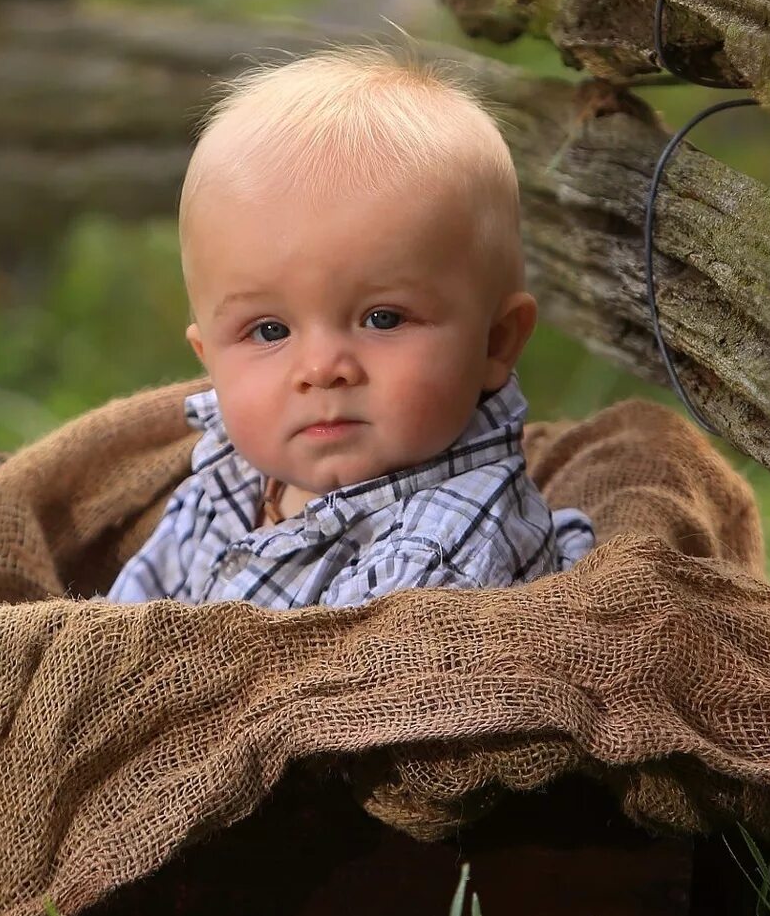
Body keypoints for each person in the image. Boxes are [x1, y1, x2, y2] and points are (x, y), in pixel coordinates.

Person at [105, 44, 594, 608]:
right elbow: (128, 621)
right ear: (208, 356)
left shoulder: (444, 553)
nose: (322, 370)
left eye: (382, 319)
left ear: (497, 339)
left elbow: (347, 696)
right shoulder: (233, 473)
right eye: (269, 331)